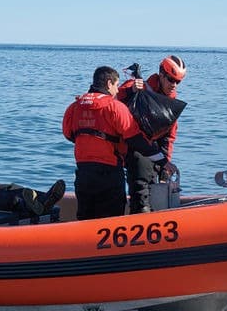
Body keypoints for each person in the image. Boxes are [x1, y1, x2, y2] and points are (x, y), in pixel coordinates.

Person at [62, 66, 167, 220]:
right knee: (111, 220)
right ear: (109, 83)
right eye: (117, 86)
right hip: (109, 174)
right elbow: (135, 139)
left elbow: (69, 134)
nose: (118, 91)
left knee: (85, 217)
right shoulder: (115, 107)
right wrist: (162, 160)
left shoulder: (73, 107)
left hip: (84, 173)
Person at [117, 55, 185, 213]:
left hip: (151, 151)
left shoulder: (170, 104)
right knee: (140, 190)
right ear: (161, 75)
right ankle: (140, 218)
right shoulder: (138, 86)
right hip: (130, 146)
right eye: (171, 79)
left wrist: (165, 165)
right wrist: (130, 90)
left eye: (178, 81)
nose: (174, 85)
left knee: (151, 187)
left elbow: (168, 137)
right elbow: (113, 100)